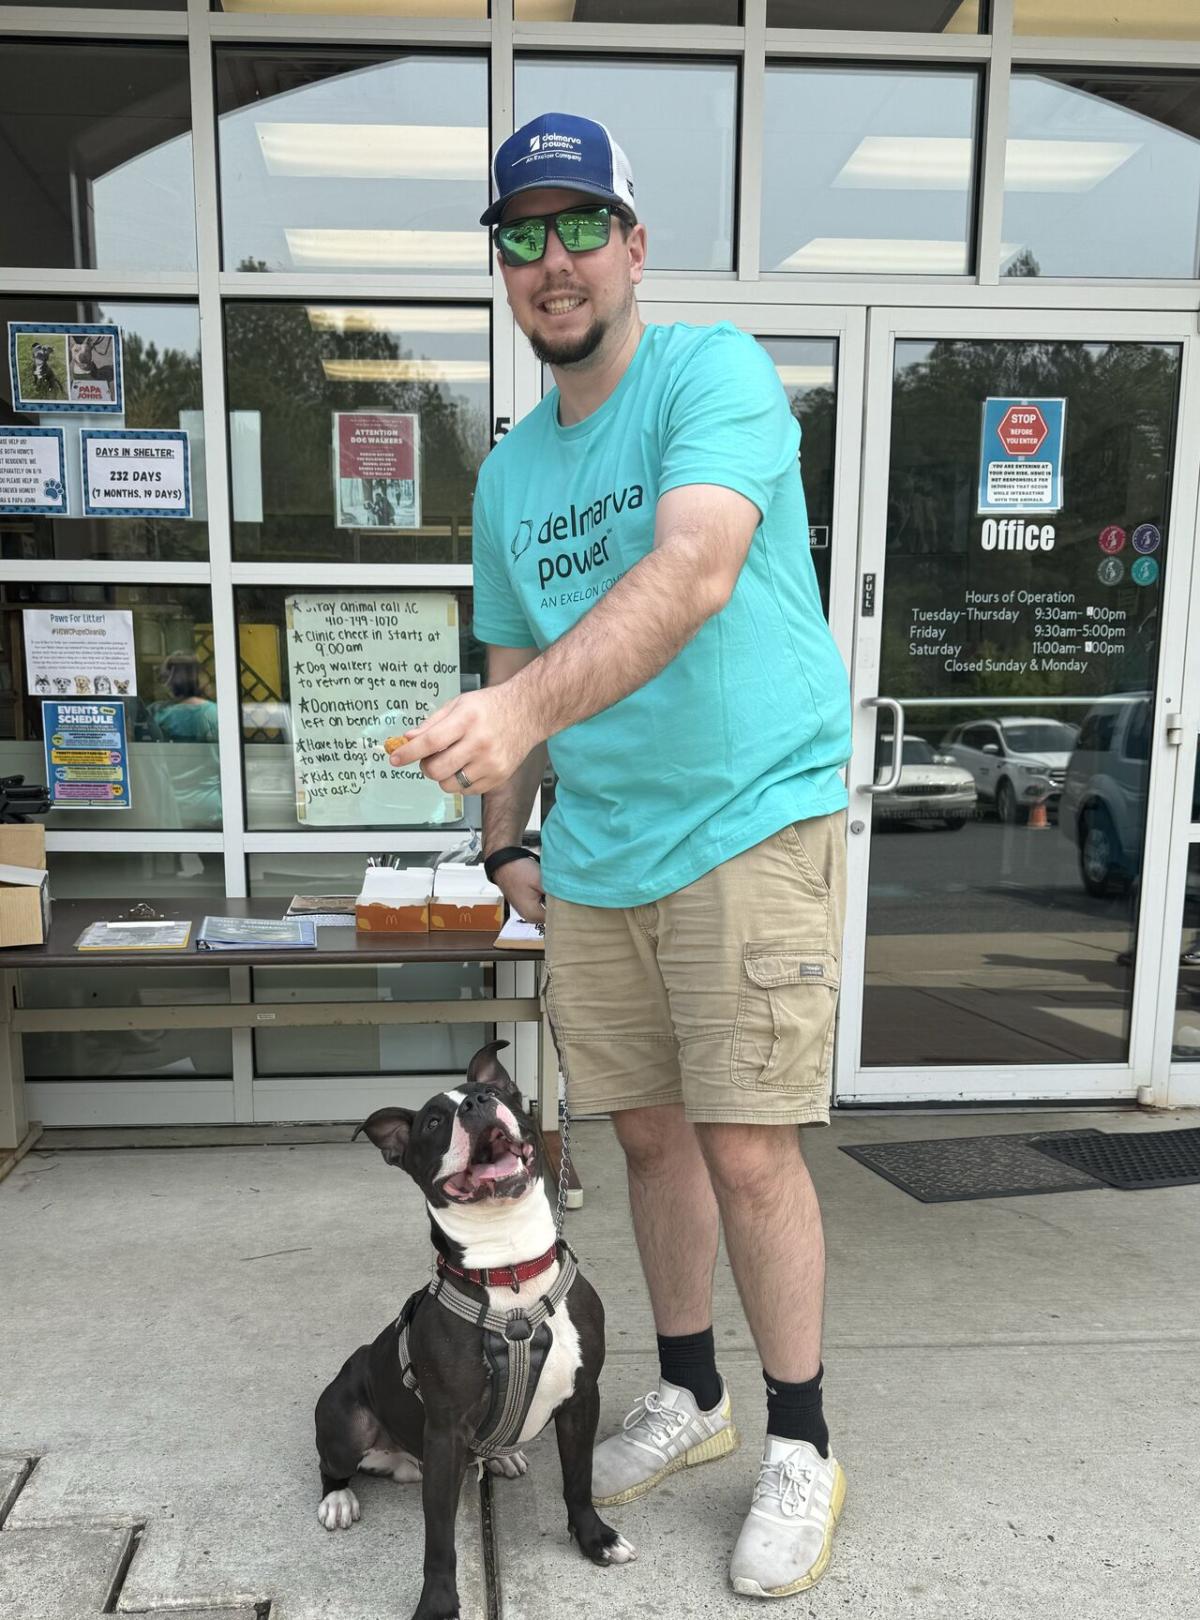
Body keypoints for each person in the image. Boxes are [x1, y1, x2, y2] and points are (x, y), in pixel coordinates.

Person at [390, 112, 852, 1600]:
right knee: (648, 1140)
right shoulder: (514, 474)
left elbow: (697, 565)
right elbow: (516, 666)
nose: (552, 258)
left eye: (580, 223)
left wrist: (516, 708)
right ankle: (694, 1393)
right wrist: (507, 838)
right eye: (519, 234)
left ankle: (800, 1440)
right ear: (504, 270)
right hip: (596, 858)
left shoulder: (711, 376)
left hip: (748, 819)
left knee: (747, 1144)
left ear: (635, 245)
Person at [150, 651, 221, 828]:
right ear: (198, 677)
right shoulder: (215, 713)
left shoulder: (158, 715)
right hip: (210, 806)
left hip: (172, 807)